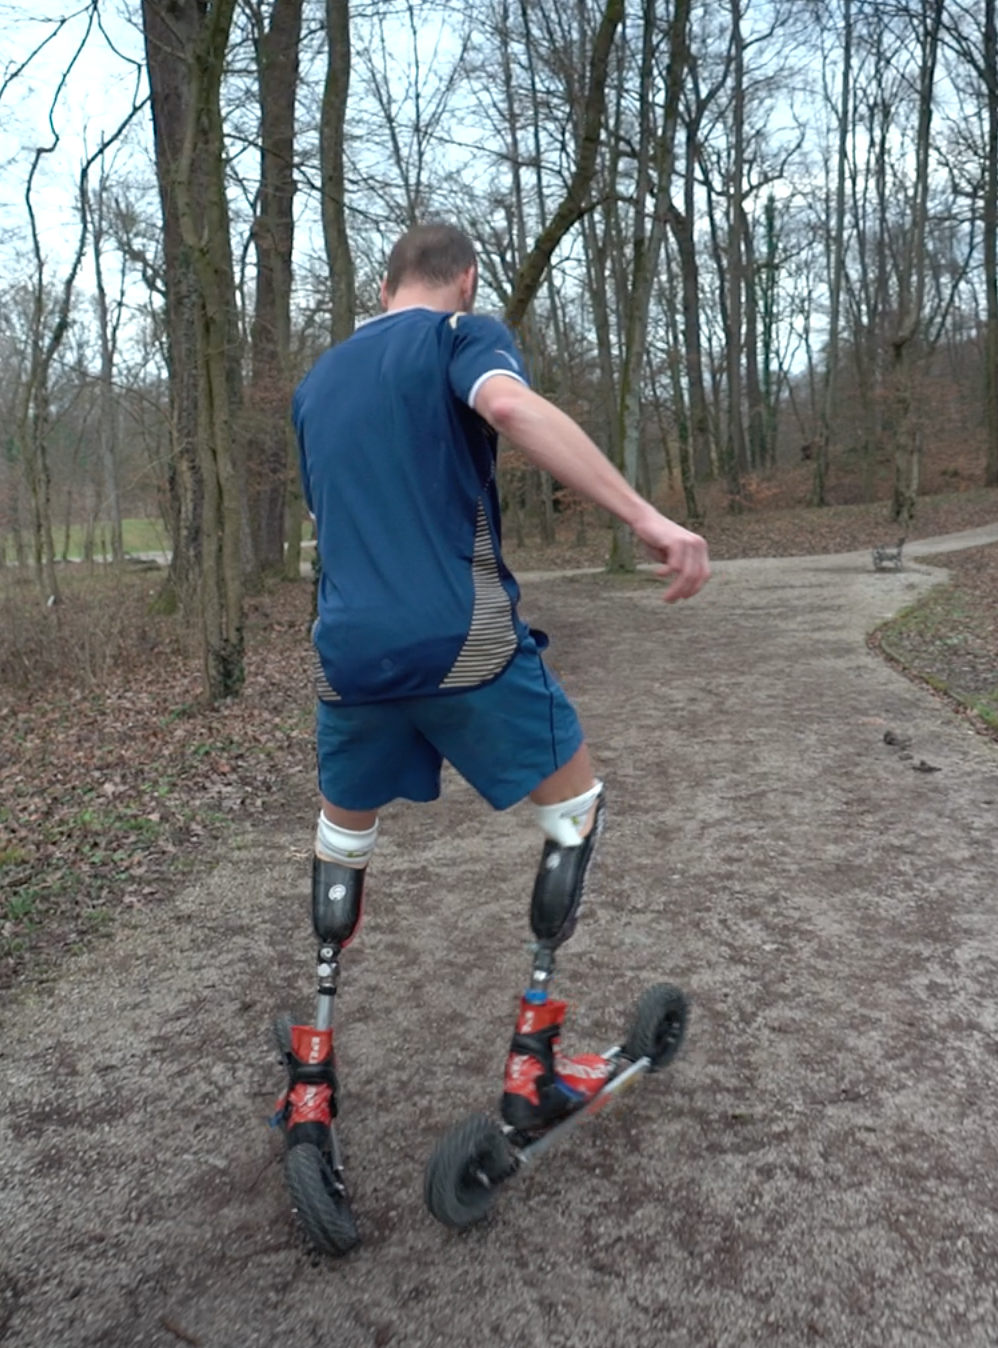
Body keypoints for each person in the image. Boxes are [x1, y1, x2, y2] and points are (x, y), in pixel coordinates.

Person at [274, 223, 710, 1246]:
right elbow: (509, 409)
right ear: (463, 282)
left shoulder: (316, 383)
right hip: (459, 640)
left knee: (343, 845)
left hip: (347, 655)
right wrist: (646, 516)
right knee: (576, 809)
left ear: (382, 285)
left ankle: (311, 1084)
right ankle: (532, 1065)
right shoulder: (461, 335)